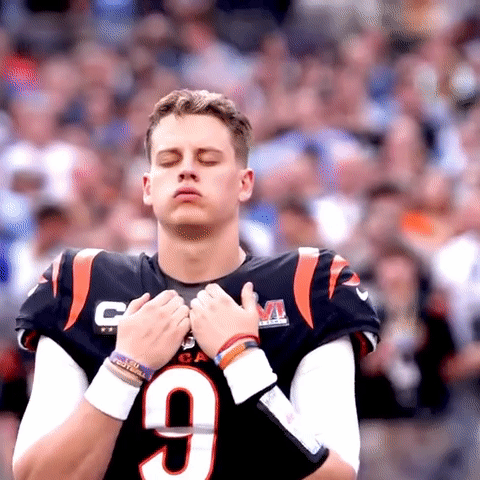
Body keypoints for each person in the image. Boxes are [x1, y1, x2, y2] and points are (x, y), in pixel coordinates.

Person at [12, 89, 380, 480]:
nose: (187, 170)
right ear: (148, 186)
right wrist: (122, 370)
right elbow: (37, 476)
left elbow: (336, 475)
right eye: (170, 160)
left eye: (208, 159)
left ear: (244, 183)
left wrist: (243, 362)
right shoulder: (81, 282)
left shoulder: (308, 286)